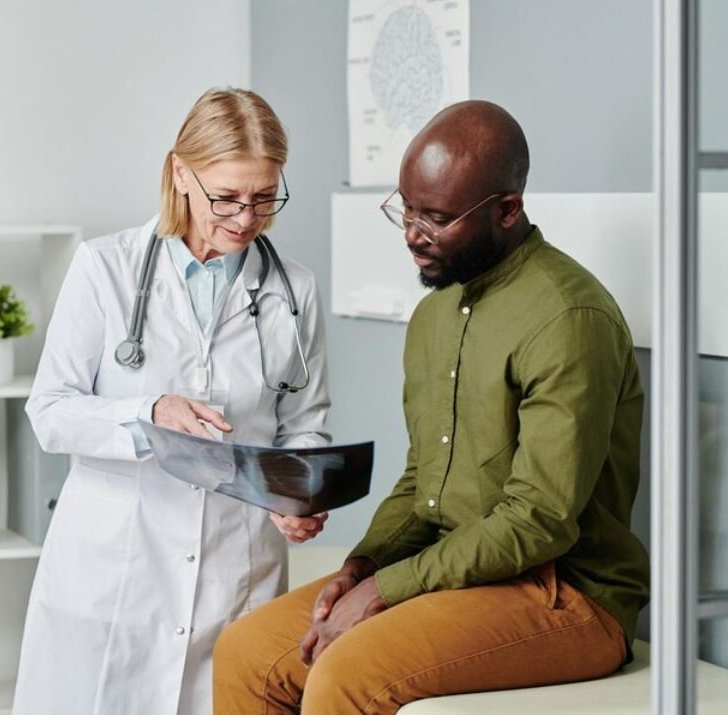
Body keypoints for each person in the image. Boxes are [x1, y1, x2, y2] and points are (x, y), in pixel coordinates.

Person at [213, 100, 651, 713]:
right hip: (454, 572)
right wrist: (362, 565)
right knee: (248, 653)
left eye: (437, 217)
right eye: (407, 208)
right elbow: (427, 480)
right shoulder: (434, 315)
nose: (412, 233)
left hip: (565, 594)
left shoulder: (567, 319)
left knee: (346, 676)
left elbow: (539, 521)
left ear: (507, 210)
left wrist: (388, 588)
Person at [11, 87, 331, 715]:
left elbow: (305, 424)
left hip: (236, 571)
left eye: (265, 197)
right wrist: (148, 412)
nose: (246, 217)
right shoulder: (104, 269)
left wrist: (300, 490)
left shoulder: (294, 289)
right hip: (116, 571)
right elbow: (49, 412)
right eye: (228, 197)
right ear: (181, 174)